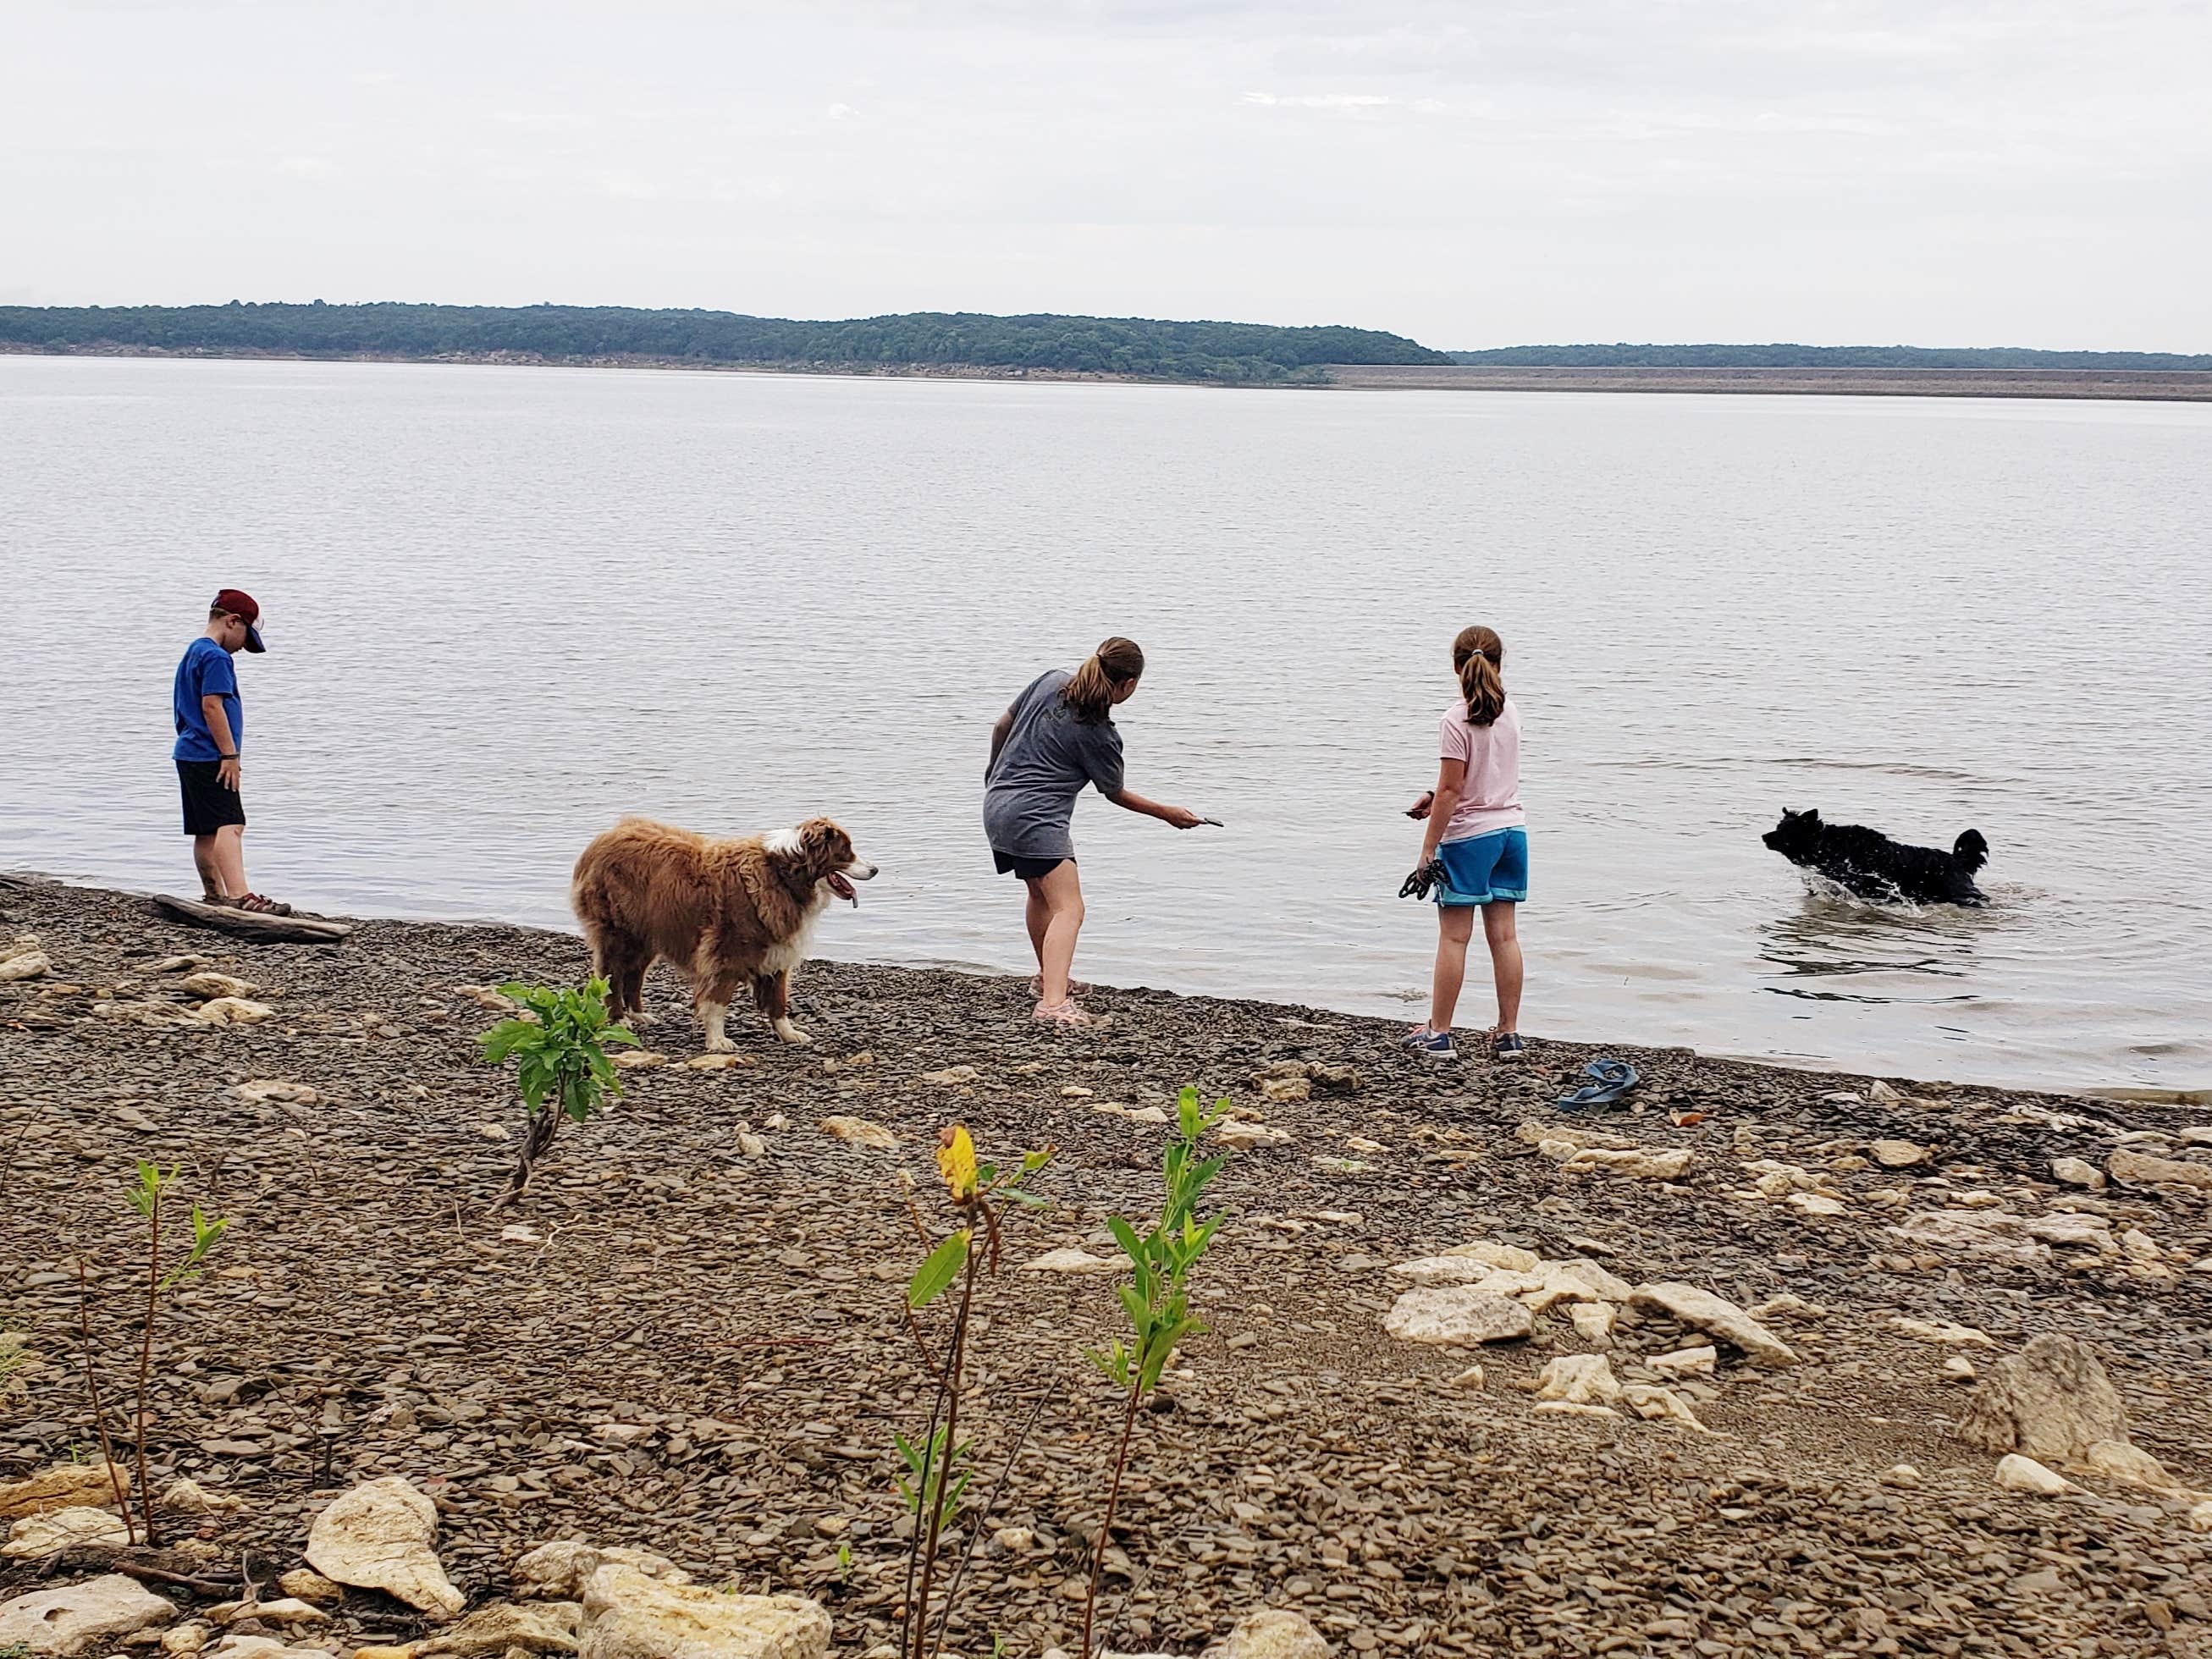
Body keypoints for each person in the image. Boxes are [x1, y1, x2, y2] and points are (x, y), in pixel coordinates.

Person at [985, 637, 1204, 1025]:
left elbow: (1002, 725)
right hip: (1037, 819)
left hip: (997, 807)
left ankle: (1050, 980)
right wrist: (1167, 812)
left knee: (1041, 894)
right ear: (1129, 684)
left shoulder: (1049, 681)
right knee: (1070, 908)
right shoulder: (1099, 733)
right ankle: (1053, 1004)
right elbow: (1115, 794)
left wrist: (994, 775)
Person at [1402, 625, 1525, 1061]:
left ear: (1456, 666)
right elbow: (1482, 777)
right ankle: (1508, 1034)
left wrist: (1427, 847)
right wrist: (1435, 796)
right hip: (1512, 832)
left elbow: (1455, 791)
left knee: (1455, 938)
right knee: (1505, 937)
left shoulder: (1455, 719)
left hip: (1469, 838)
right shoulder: (1510, 711)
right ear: (1499, 663)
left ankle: (1439, 1032)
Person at [172, 589, 290, 914]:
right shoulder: (216, 657)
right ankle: (241, 896)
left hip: (189, 752)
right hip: (212, 755)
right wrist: (229, 756)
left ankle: (214, 895)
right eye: (244, 637)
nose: (241, 647)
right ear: (232, 621)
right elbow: (212, 706)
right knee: (231, 823)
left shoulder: (194, 651)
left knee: (206, 830)